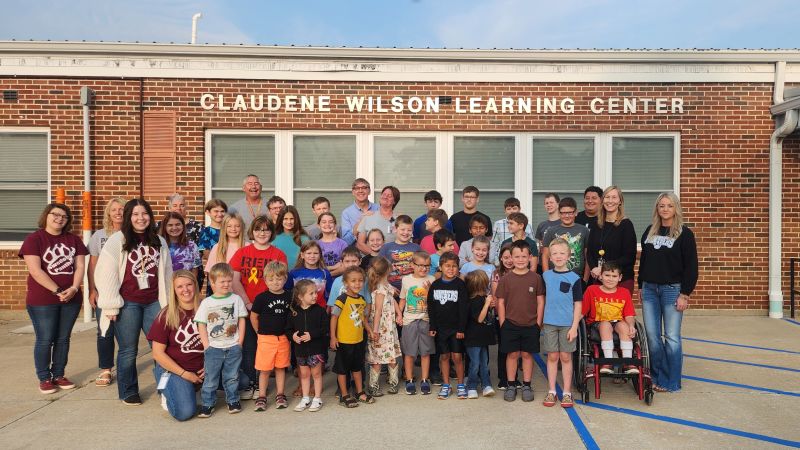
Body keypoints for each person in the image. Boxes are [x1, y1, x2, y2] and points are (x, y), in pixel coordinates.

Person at [96, 198, 172, 406]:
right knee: (128, 350)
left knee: (161, 348)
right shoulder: (117, 240)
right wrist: (110, 304)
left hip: (154, 302)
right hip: (128, 303)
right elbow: (105, 273)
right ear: (129, 217)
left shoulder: (159, 241)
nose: (141, 218)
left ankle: (166, 389)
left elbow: (167, 273)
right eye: (135, 214)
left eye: (144, 213)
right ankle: (128, 391)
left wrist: (169, 302)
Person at [20, 203, 88, 394]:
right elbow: (35, 270)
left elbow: (80, 266)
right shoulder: (34, 239)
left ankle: (58, 374)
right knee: (45, 339)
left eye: (64, 217)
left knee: (63, 339)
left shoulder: (74, 240)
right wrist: (58, 290)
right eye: (55, 215)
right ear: (46, 216)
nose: (59, 219)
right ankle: (44, 378)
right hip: (42, 300)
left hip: (71, 299)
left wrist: (74, 288)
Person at [638, 192, 698, 393]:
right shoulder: (649, 231)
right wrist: (641, 286)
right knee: (652, 337)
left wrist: (685, 294)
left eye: (669, 206)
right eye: (661, 206)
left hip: (673, 290)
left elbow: (691, 267)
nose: (665, 209)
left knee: (672, 337)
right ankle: (655, 376)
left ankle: (671, 381)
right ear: (657, 209)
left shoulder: (684, 233)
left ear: (675, 209)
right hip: (649, 290)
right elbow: (644, 261)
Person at [229, 215, 287, 398]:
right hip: (246, 306)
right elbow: (235, 279)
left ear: (271, 232)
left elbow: (281, 280)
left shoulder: (278, 254)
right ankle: (251, 384)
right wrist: (247, 302)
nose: (262, 233)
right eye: (258, 229)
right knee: (249, 346)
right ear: (252, 231)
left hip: (271, 309)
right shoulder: (242, 253)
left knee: (269, 347)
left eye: (266, 229)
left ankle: (268, 383)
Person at [147, 270, 204, 421]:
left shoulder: (207, 307)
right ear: (173, 290)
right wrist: (185, 374)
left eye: (189, 284)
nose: (185, 290)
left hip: (203, 367)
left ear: (195, 285)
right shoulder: (166, 315)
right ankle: (168, 392)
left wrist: (212, 364)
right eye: (179, 287)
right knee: (185, 412)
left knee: (241, 382)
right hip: (174, 370)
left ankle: (192, 390)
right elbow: (157, 354)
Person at [195, 263, 248, 418]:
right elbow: (201, 324)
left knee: (232, 376)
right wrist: (207, 346)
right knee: (211, 378)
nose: (226, 284)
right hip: (214, 348)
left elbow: (241, 320)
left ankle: (232, 400)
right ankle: (208, 403)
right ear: (213, 283)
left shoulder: (236, 299)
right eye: (222, 281)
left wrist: (240, 341)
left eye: (229, 281)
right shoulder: (207, 303)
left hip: (233, 346)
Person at [496, 240, 545, 403]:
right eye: (516, 256)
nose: (520, 259)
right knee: (512, 354)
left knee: (526, 354)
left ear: (530, 257)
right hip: (510, 323)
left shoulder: (536, 278)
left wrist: (538, 322)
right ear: (511, 257)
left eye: (524, 256)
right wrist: (503, 322)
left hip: (531, 324)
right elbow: (500, 302)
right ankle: (511, 385)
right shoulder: (505, 279)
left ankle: (526, 385)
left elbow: (540, 301)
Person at [87, 196, 125, 387]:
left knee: (126, 332)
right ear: (108, 213)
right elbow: (92, 265)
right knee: (105, 331)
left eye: (122, 209)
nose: (118, 213)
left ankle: (126, 367)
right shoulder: (99, 236)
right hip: (104, 292)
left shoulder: (132, 234)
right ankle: (106, 369)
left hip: (127, 291)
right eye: (114, 209)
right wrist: (92, 289)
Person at [541, 238, 583, 408]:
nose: (558, 256)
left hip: (567, 324)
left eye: (562, 253)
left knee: (566, 356)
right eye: (555, 253)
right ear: (550, 257)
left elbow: (578, 304)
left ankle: (566, 392)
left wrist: (574, 327)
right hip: (550, 323)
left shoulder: (574, 278)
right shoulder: (545, 276)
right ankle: (551, 391)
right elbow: (541, 299)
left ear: (569, 255)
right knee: (552, 356)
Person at [330, 266, 375, 407]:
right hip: (344, 341)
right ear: (346, 283)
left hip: (358, 340)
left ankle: (360, 392)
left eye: (360, 281)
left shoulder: (361, 300)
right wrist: (333, 337)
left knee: (357, 368)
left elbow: (363, 318)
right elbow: (334, 318)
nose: (357, 284)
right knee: (343, 369)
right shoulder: (341, 299)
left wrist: (370, 331)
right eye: (353, 281)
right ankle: (344, 395)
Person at [251, 261, 292, 411]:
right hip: (265, 339)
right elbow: (254, 316)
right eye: (271, 279)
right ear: (265, 280)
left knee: (281, 367)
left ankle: (280, 394)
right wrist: (259, 332)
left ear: (285, 279)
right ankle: (262, 396)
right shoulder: (261, 298)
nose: (275, 282)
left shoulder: (289, 296)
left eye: (279, 278)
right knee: (264, 369)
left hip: (283, 338)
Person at [427, 252, 469, 400]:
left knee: (457, 357)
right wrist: (432, 327)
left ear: (458, 268)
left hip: (456, 329)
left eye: (454, 266)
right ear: (441, 267)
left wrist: (461, 329)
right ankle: (446, 385)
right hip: (440, 328)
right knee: (444, 356)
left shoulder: (460, 285)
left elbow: (464, 309)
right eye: (447, 266)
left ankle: (461, 385)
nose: (451, 269)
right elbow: (431, 307)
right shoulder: (435, 285)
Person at [583, 262, 638, 375]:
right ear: (600, 276)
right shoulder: (592, 290)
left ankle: (627, 361)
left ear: (620, 278)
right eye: (607, 275)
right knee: (605, 324)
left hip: (618, 322)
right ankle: (608, 361)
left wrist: (631, 326)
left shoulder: (624, 292)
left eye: (614, 276)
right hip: (597, 324)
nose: (610, 279)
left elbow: (628, 314)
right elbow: (582, 311)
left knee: (624, 325)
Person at [586, 186, 638, 293]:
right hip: (599, 279)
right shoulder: (597, 224)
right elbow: (590, 252)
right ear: (602, 200)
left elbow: (629, 257)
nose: (610, 201)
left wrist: (604, 269)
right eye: (607, 197)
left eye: (614, 197)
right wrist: (594, 269)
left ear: (620, 201)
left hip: (620, 281)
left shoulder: (626, 225)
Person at [286, 279, 328, 412]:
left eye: (316, 292)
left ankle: (317, 398)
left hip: (316, 349)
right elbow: (288, 329)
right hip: (300, 350)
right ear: (300, 296)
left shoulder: (320, 311)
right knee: (303, 374)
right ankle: (305, 398)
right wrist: (292, 336)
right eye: (311, 293)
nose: (315, 295)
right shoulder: (294, 312)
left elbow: (325, 328)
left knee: (316, 374)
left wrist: (312, 335)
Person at [399, 251, 436, 395]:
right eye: (420, 265)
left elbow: (434, 303)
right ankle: (409, 379)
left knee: (425, 352)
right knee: (409, 353)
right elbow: (403, 298)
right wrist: (399, 314)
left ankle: (425, 379)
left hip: (426, 320)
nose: (424, 269)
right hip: (409, 320)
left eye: (427, 266)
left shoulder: (432, 279)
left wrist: (429, 291)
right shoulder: (406, 280)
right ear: (412, 265)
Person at [366, 257, 402, 396]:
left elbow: (392, 300)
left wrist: (399, 314)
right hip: (380, 328)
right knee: (378, 357)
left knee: (392, 354)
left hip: (390, 328)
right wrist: (375, 330)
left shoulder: (386, 285)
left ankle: (393, 382)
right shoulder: (379, 289)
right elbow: (378, 311)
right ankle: (373, 385)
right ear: (386, 271)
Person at [464, 270, 496, 399]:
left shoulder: (483, 298)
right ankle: (471, 386)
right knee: (475, 362)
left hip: (483, 337)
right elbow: (480, 318)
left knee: (484, 362)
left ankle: (486, 384)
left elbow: (489, 316)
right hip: (473, 337)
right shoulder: (473, 300)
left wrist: (490, 305)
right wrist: (487, 304)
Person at [541, 197, 589, 280]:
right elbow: (545, 255)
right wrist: (547, 277)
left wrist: (585, 279)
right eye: (563, 213)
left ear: (576, 212)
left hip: (577, 277)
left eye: (570, 212)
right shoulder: (551, 231)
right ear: (559, 214)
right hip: (555, 277)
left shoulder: (584, 230)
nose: (566, 216)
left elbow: (588, 256)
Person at [491, 243, 514, 390]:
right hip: (502, 315)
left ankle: (513, 377)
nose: (509, 260)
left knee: (515, 350)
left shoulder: (522, 273)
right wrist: (501, 316)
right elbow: (496, 296)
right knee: (503, 347)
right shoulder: (497, 274)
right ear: (500, 258)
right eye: (506, 257)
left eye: (511, 257)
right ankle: (503, 378)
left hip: (518, 315)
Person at [204, 213, 245, 295]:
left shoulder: (247, 247)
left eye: (237, 226)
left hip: (244, 294)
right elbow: (211, 274)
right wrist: (218, 296)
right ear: (224, 228)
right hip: (223, 294)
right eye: (229, 226)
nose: (233, 229)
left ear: (241, 228)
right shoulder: (217, 248)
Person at [286, 241, 333, 308]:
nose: (312, 256)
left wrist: (328, 309)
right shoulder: (294, 273)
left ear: (320, 255)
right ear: (302, 255)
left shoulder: (325, 273)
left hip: (320, 310)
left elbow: (331, 294)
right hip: (299, 310)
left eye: (315, 253)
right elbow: (287, 291)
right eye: (309, 253)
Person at [356, 185, 401, 254]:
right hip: (372, 261)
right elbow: (360, 244)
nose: (385, 197)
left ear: (394, 201)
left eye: (389, 196)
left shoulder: (399, 220)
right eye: (384, 194)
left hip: (393, 261)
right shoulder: (368, 217)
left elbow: (405, 243)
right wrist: (375, 255)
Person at [329, 246, 374, 312]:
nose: (351, 264)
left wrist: (366, 320)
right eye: (347, 261)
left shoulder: (365, 280)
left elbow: (368, 302)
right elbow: (333, 305)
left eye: (354, 261)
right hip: (343, 319)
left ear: (360, 261)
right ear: (341, 262)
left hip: (359, 319)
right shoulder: (337, 281)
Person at [490, 197, 533, 264]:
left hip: (521, 261)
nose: (512, 211)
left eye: (514, 208)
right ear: (505, 211)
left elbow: (531, 245)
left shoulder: (527, 226)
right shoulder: (498, 224)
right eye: (508, 209)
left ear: (519, 209)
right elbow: (494, 244)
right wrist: (494, 261)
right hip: (503, 261)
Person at [159, 212, 201, 277]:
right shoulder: (158, 246)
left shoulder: (192, 246)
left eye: (178, 224)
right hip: (165, 285)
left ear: (183, 226)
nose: (174, 228)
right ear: (164, 227)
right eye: (170, 225)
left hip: (185, 285)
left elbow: (194, 271)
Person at [341, 178, 379, 245]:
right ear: (353, 192)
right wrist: (360, 222)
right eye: (357, 188)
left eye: (364, 188)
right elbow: (346, 241)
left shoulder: (378, 209)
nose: (360, 191)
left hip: (379, 252)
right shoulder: (346, 213)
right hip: (356, 253)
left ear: (369, 191)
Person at [316, 212, 348, 277]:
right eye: (324, 222)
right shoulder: (316, 245)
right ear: (318, 225)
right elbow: (315, 267)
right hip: (320, 281)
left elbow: (345, 266)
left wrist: (327, 274)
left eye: (330, 222)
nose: (327, 224)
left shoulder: (342, 244)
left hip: (339, 280)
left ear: (335, 225)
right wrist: (333, 267)